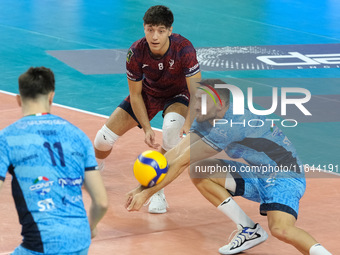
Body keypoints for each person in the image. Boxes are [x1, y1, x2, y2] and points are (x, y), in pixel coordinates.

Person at [125, 79, 332, 255]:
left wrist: (147, 193)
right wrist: (142, 187)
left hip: (284, 177)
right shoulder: (206, 116)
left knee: (281, 230)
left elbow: (181, 162)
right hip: (257, 174)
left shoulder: (230, 125)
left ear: (222, 105)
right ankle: (249, 230)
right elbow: (176, 153)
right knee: (200, 170)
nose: (196, 107)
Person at [94, 5, 201, 214]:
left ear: (170, 31)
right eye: (150, 29)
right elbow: (135, 95)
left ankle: (156, 192)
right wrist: (146, 128)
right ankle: (95, 166)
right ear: (144, 28)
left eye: (161, 30)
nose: (155, 36)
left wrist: (188, 124)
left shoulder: (184, 49)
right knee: (102, 140)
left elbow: (196, 91)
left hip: (178, 95)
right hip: (148, 94)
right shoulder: (135, 52)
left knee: (171, 132)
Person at [0, 67, 108, 255]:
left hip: (40, 244)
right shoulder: (78, 136)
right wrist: (91, 227)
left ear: (19, 99)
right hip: (80, 241)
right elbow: (101, 203)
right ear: (51, 97)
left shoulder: (8, 138)